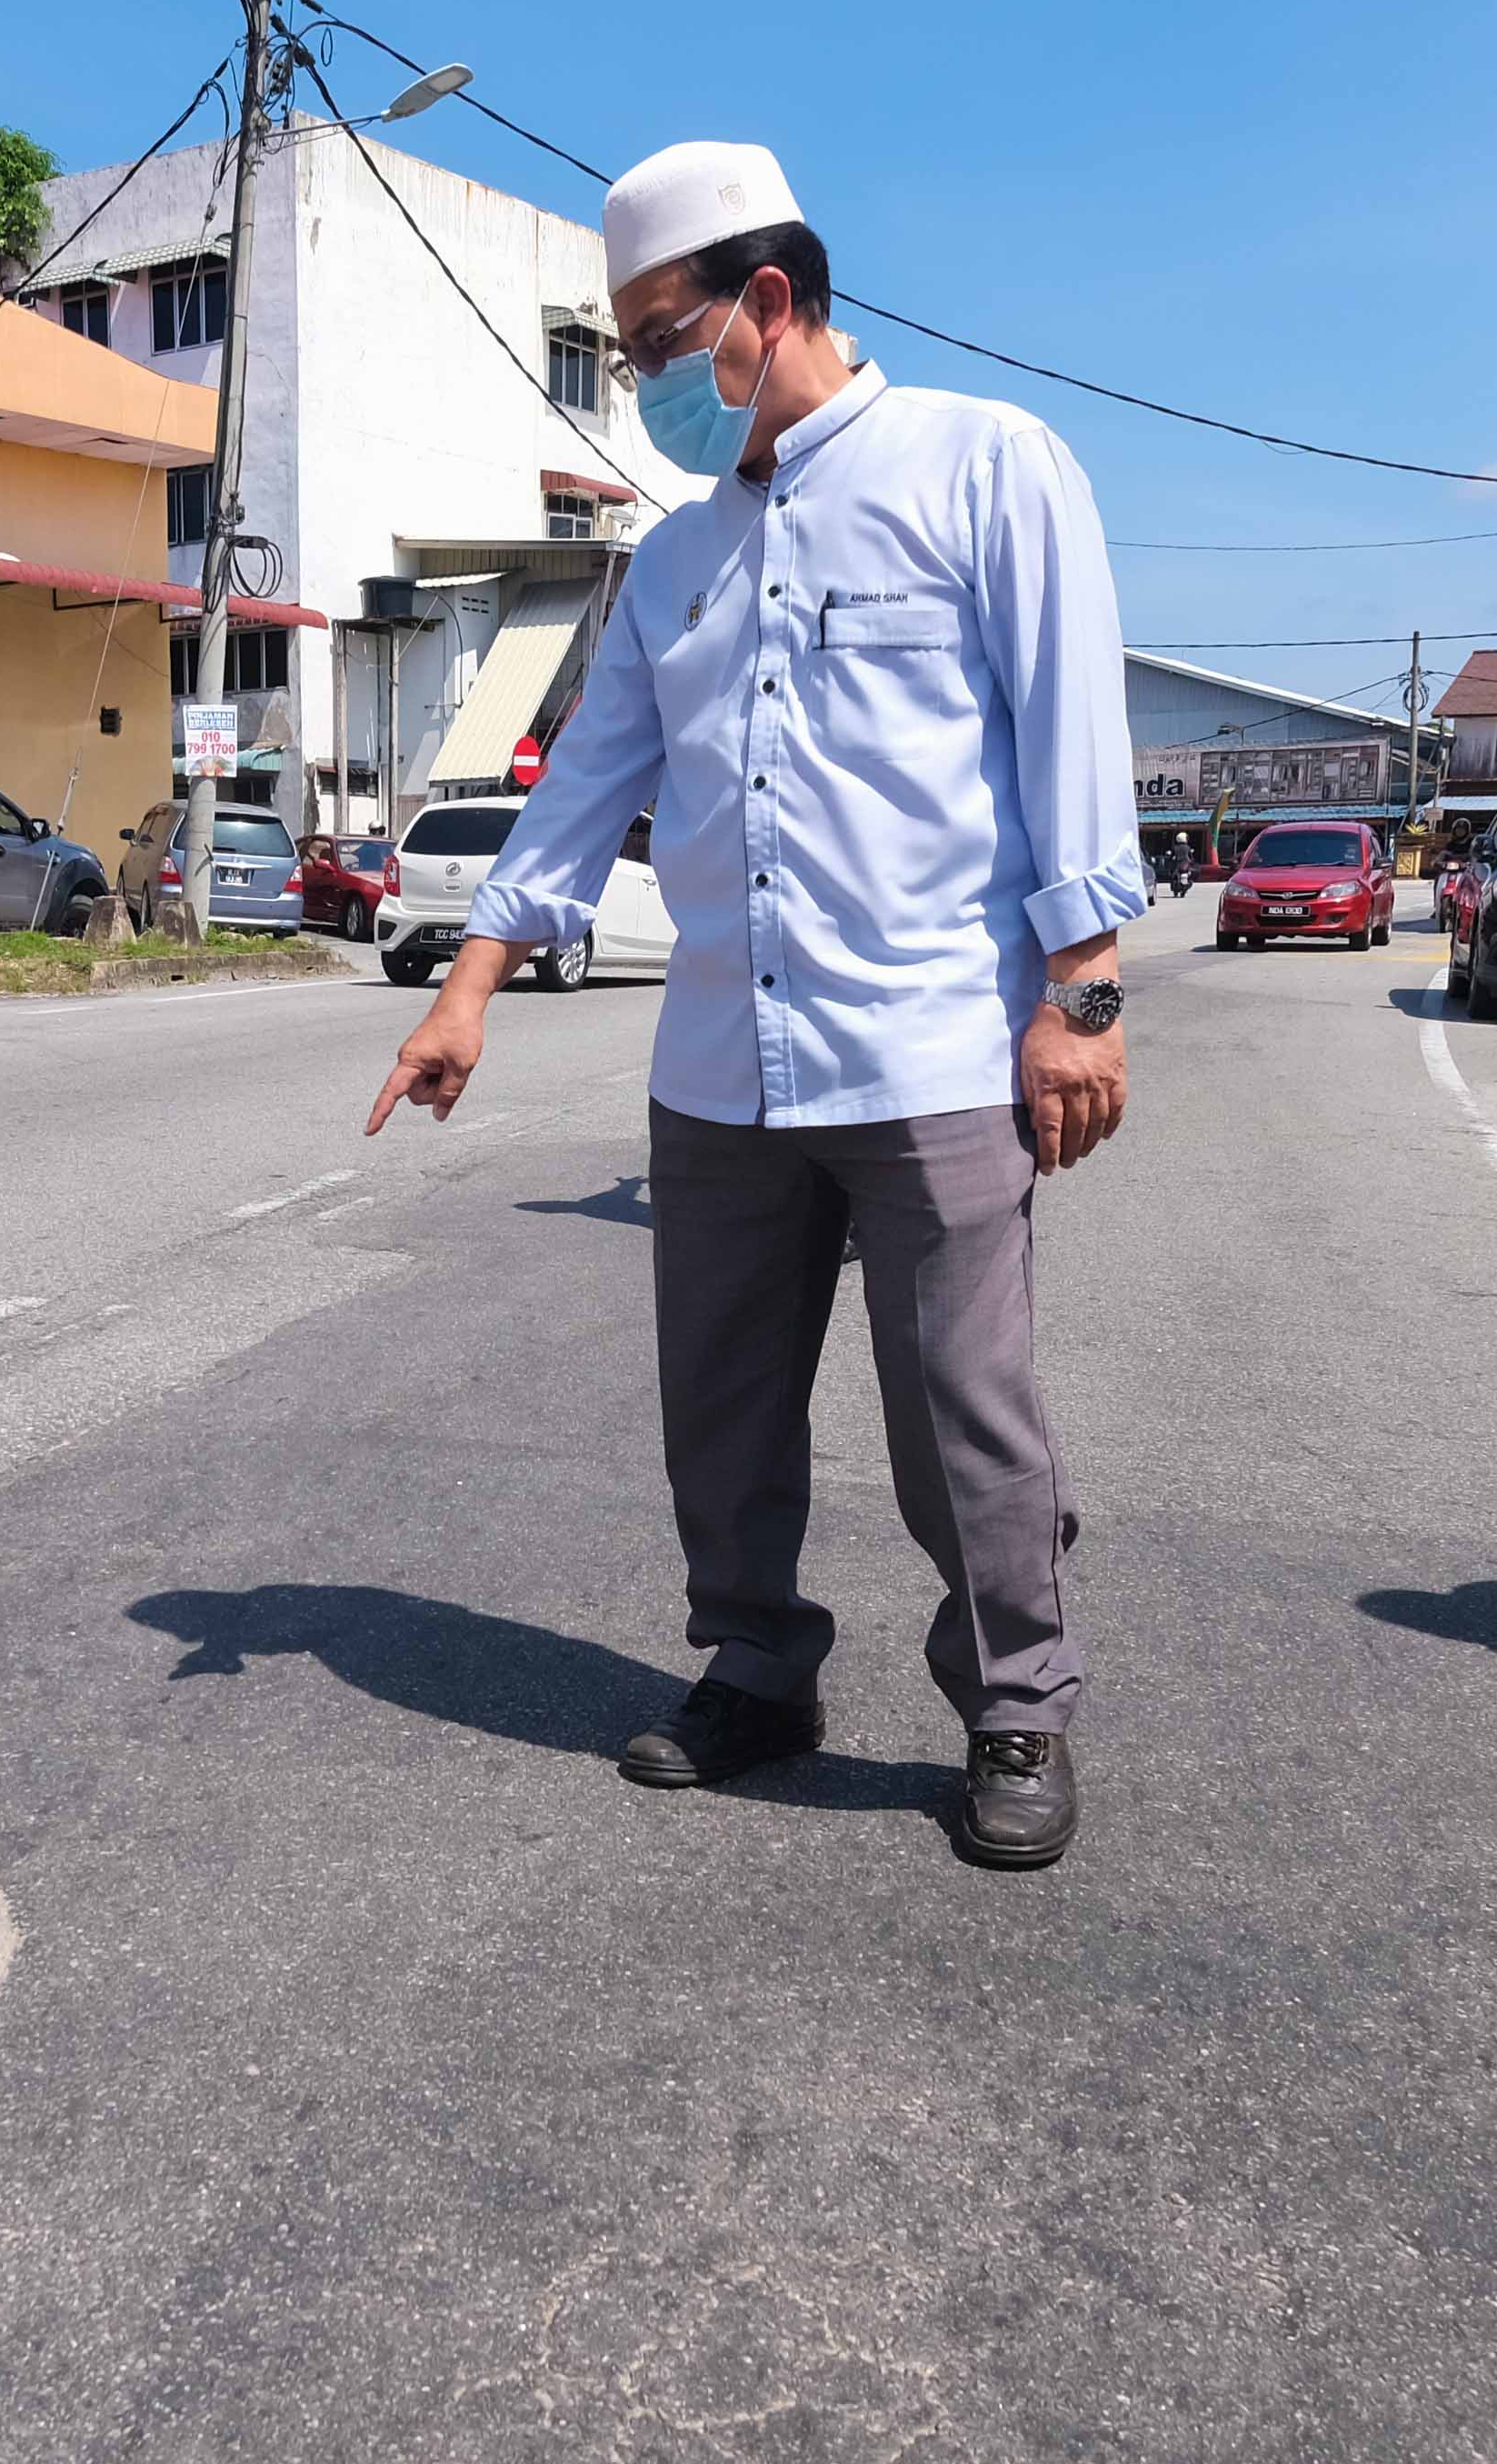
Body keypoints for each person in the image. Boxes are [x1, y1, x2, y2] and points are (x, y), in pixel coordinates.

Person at [364, 142, 1138, 1871]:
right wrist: (468, 987)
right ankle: (759, 1666)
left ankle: (1017, 1699)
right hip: (721, 1066)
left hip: (933, 1047)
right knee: (720, 1410)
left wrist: (1081, 993)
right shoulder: (674, 562)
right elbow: (585, 785)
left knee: (964, 1416)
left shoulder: (983, 466)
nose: (646, 383)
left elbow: (1069, 731)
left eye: (657, 343)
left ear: (767, 300)